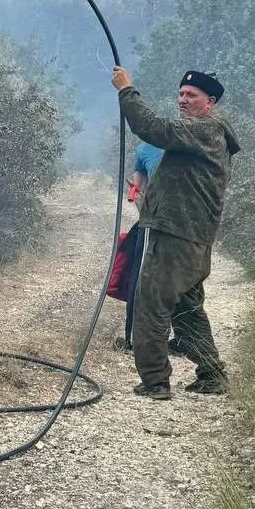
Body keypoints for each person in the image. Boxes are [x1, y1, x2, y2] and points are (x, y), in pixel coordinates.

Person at [110, 66, 241, 400]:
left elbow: (152, 128)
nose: (183, 100)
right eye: (181, 94)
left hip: (176, 235)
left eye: (191, 96)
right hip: (193, 237)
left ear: (210, 101)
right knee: (187, 308)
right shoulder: (211, 132)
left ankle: (155, 382)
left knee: (151, 303)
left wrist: (127, 91)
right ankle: (211, 375)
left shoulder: (205, 129)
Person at [114, 141, 165, 351]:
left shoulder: (183, 141)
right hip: (152, 221)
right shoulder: (145, 149)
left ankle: (181, 339)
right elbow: (138, 184)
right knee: (140, 277)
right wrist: (140, 201)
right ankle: (134, 339)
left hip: (181, 225)